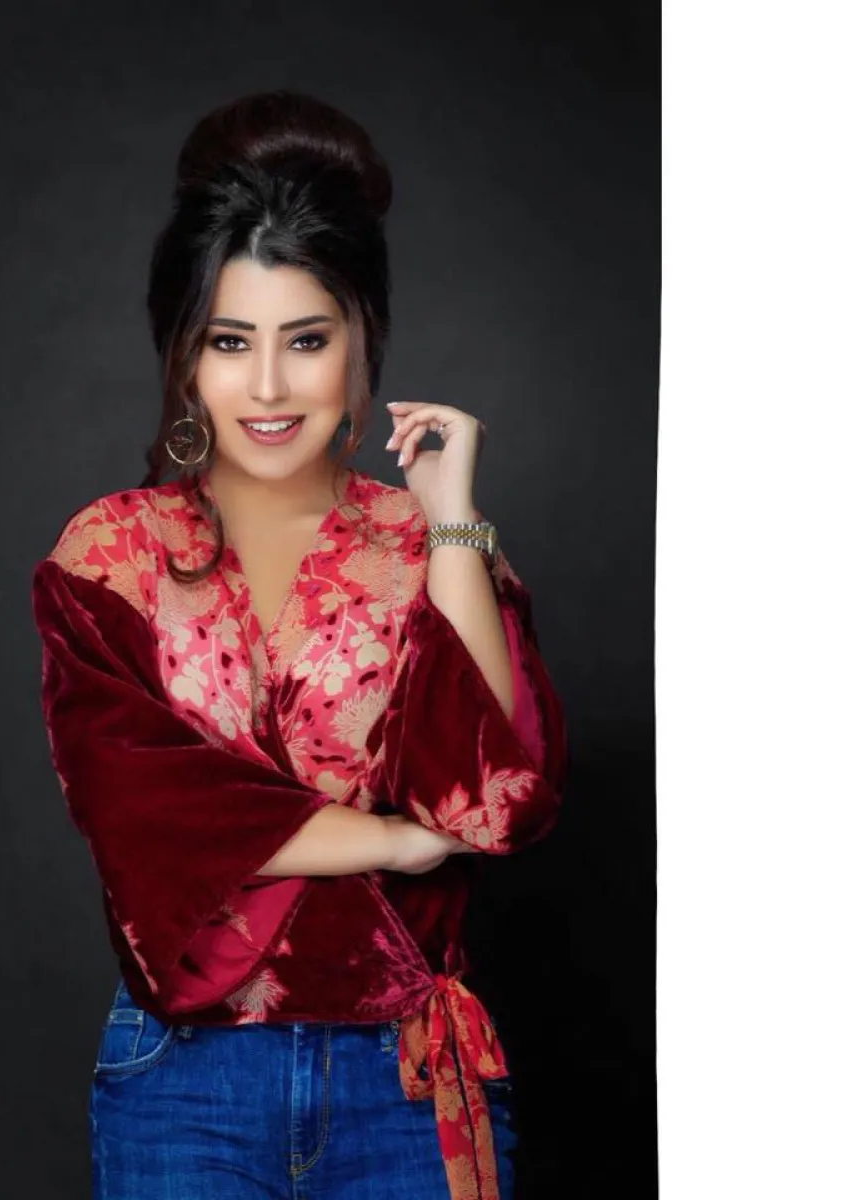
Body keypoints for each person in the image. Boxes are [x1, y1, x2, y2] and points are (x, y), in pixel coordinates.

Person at [30, 89, 567, 1200]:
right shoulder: (115, 553)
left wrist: (450, 520)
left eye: (307, 340)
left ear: (359, 339)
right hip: (184, 1074)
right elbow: (140, 814)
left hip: (406, 1080)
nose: (268, 387)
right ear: (185, 354)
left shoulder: (424, 543)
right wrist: (390, 842)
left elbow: (495, 799)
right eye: (230, 342)